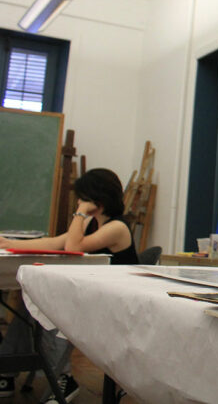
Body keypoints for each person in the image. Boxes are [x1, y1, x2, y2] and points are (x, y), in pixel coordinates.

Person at [0, 168, 138, 403]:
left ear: (98, 200)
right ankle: (7, 369)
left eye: (83, 198)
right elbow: (55, 242)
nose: (79, 203)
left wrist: (80, 213)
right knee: (33, 298)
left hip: (113, 302)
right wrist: (8, 242)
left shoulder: (117, 227)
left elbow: (72, 246)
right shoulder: (92, 224)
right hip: (92, 293)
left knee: (52, 305)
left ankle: (62, 378)